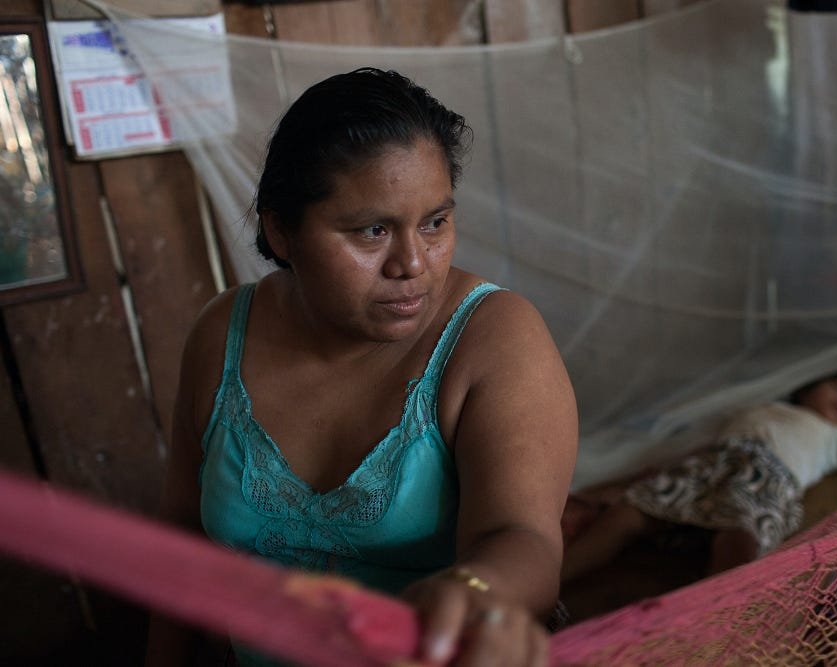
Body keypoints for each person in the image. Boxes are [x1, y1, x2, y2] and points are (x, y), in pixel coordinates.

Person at [146, 68, 578, 667]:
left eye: (435, 223)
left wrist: (478, 588)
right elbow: (182, 541)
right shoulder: (223, 336)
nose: (413, 263)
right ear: (281, 229)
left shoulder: (492, 336)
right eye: (372, 231)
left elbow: (524, 539)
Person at [560, 370, 837, 583]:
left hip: (768, 477)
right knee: (627, 514)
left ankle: (706, 627)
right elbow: (689, 448)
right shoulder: (761, 407)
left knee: (740, 540)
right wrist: (618, 485)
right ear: (805, 389)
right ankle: (552, 580)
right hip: (713, 463)